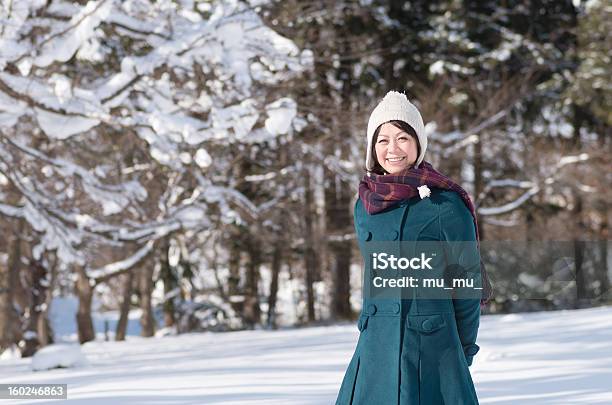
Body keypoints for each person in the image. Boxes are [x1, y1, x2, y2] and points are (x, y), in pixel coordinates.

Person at [335, 91, 493, 405]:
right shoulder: (364, 206)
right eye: (382, 140)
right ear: (372, 148)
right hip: (375, 351)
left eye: (403, 137)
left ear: (418, 143)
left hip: (432, 351)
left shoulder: (445, 204)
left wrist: (460, 352)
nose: (392, 149)